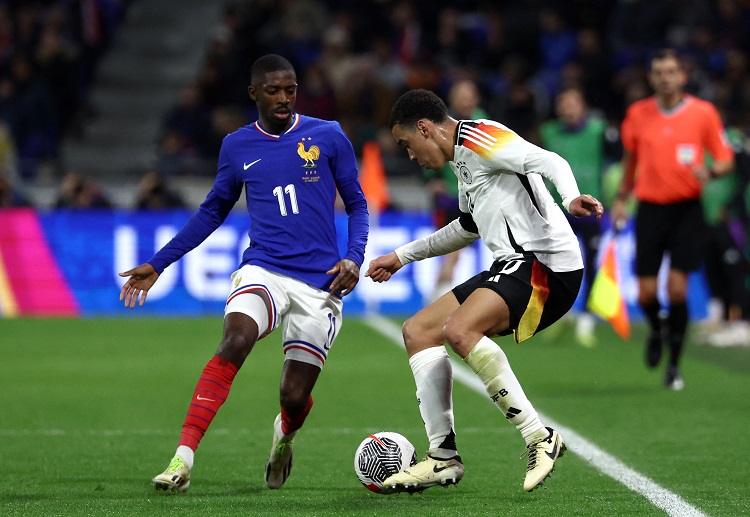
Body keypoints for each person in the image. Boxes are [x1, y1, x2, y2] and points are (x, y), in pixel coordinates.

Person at [119, 54, 369, 492]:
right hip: (264, 268)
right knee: (235, 340)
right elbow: (213, 209)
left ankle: (284, 437)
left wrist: (354, 255)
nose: (284, 99)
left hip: (321, 282)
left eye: (290, 89)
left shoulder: (328, 136)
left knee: (293, 397)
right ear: (254, 93)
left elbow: (359, 203)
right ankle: (182, 459)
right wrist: (159, 262)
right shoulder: (236, 146)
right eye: (274, 90)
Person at [366, 89, 603, 494]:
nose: (410, 155)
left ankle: (538, 436)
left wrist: (570, 198)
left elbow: (550, 160)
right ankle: (442, 457)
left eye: (407, 144)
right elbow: (467, 227)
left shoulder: (479, 136)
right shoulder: (461, 162)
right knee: (419, 330)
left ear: (425, 128)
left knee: (459, 331)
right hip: (512, 265)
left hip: (546, 266)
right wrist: (402, 256)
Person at [612, 48, 735, 390]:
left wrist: (709, 171)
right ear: (651, 78)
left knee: (676, 289)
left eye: (671, 71)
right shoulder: (638, 114)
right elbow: (630, 162)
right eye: (659, 72)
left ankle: (674, 365)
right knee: (648, 293)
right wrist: (622, 199)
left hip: (686, 210)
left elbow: (726, 160)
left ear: (683, 76)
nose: (666, 77)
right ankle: (656, 328)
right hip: (650, 209)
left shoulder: (703, 113)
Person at [539, 86, 607, 346]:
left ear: (583, 106)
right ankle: (559, 314)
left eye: (573, 102)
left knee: (591, 263)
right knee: (552, 264)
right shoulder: (548, 133)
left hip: (592, 208)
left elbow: (614, 163)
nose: (568, 107)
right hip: (557, 209)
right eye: (563, 102)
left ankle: (586, 321)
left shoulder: (599, 131)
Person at [423, 79, 489, 302]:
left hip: (477, 198)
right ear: (452, 98)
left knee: (454, 252)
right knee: (452, 251)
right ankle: (439, 297)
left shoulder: (484, 123)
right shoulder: (441, 122)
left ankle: (438, 296)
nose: (465, 99)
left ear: (476, 98)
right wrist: (432, 179)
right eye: (460, 94)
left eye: (468, 94)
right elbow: (427, 151)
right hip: (450, 198)